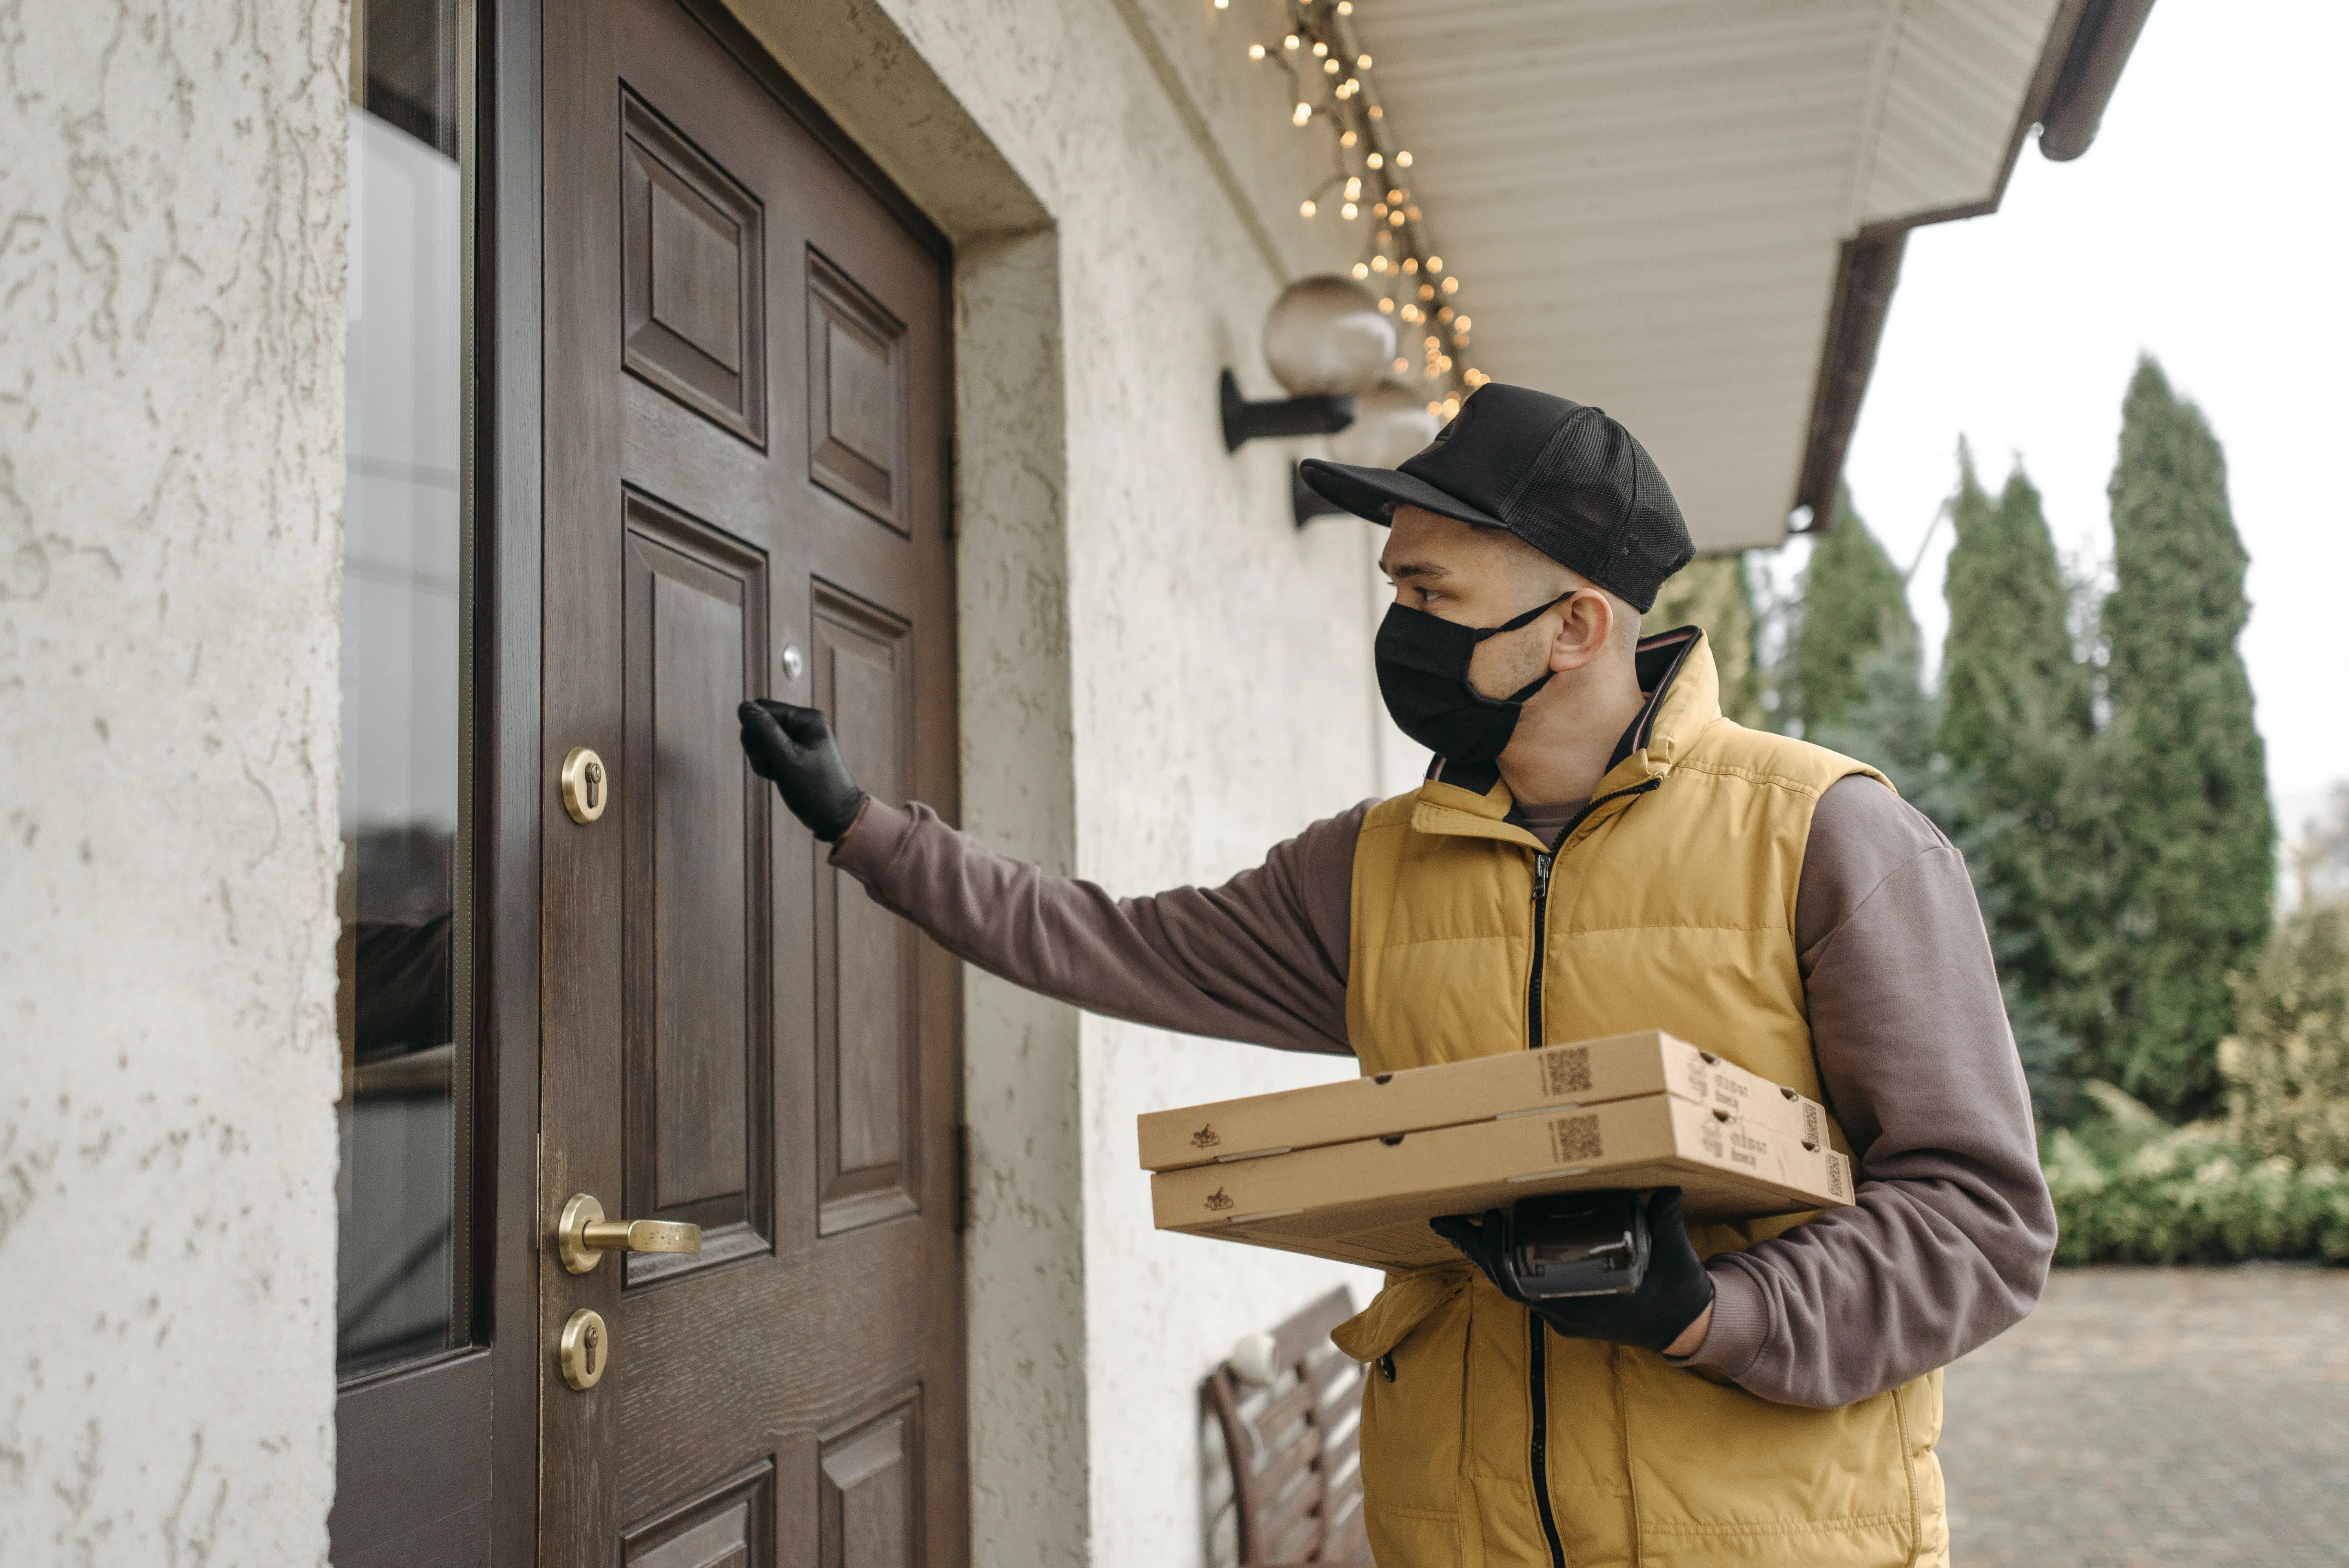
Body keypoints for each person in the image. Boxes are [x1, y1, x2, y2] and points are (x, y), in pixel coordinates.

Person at [740, 384, 2053, 1568]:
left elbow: (1978, 1218)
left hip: (1763, 1541)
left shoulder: (1823, 832)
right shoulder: (1369, 866)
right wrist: (863, 827)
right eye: (1394, 592)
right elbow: (1109, 939)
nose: (1397, 628)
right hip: (1450, 1533)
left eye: (1430, 597)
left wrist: (1710, 1312)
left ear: (1576, 625)